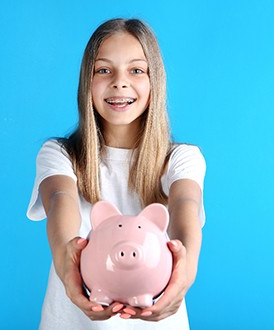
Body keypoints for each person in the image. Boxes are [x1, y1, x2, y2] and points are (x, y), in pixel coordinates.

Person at [27, 18, 206, 330]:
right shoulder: (60, 154)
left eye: (136, 70)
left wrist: (185, 270)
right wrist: (65, 257)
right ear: (87, 81)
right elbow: (59, 199)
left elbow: (185, 204)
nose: (119, 82)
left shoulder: (181, 159)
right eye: (103, 70)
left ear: (155, 81)